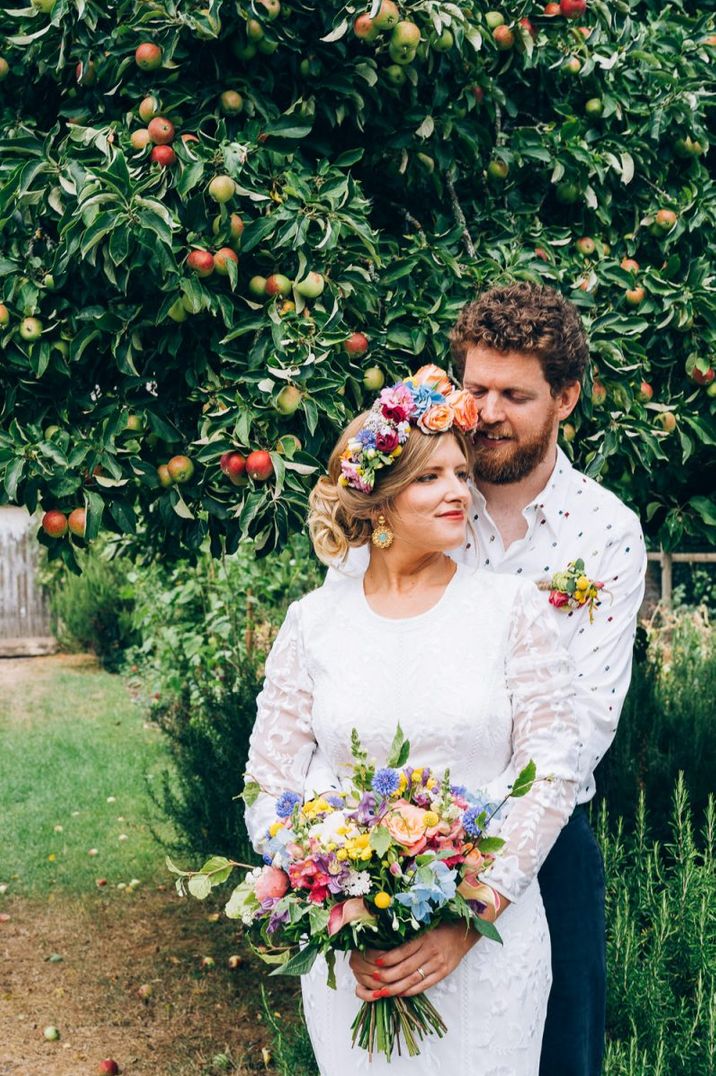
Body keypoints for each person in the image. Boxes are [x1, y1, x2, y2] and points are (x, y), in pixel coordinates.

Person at [330, 282, 648, 1075]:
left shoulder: (606, 532)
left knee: (557, 1054)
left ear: (566, 398)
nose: (491, 413)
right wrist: (388, 856)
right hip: (390, 837)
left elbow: (584, 726)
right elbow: (348, 642)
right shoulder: (415, 496)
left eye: (516, 394)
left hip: (545, 846)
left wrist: (479, 895)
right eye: (476, 389)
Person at [244, 364, 583, 1074]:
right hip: (356, 963)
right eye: (432, 478)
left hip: (489, 949)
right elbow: (267, 783)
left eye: (462, 474)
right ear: (377, 503)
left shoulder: (511, 612)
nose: (460, 491)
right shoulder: (313, 624)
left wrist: (470, 916)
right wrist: (334, 901)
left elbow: (553, 770)